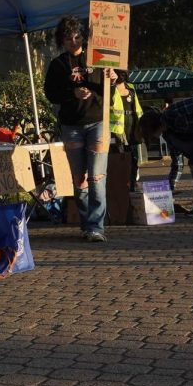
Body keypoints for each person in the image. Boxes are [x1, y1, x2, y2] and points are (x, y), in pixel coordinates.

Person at [43, 15, 113, 242]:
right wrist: (72, 93)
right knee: (79, 178)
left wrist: (114, 77)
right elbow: (50, 94)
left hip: (97, 122)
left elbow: (117, 83)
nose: (74, 41)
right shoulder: (58, 64)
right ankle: (86, 224)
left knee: (96, 176)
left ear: (85, 37)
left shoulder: (98, 58)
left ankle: (96, 226)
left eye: (77, 36)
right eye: (68, 37)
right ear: (61, 40)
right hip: (71, 125)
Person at [110, 70, 146, 191]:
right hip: (118, 130)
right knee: (121, 159)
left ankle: (132, 185)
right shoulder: (110, 88)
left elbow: (137, 106)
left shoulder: (131, 87)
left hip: (133, 128)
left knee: (134, 159)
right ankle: (122, 188)